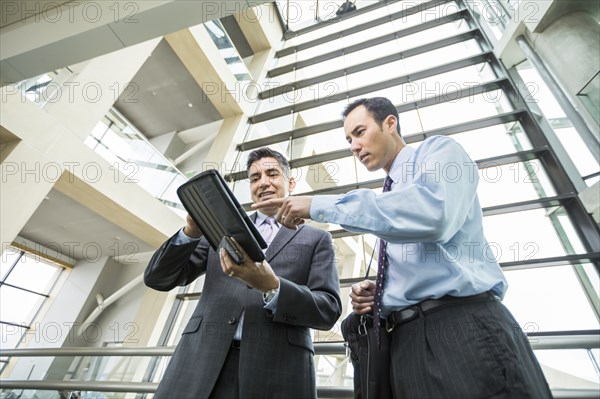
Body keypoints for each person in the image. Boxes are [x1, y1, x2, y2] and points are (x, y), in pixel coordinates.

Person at [254, 97, 553, 398]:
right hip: (406, 345)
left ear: (390, 124)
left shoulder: (439, 152)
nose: (354, 146)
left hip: (462, 328)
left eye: (359, 132)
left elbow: (434, 215)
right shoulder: (389, 198)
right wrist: (382, 291)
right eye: (348, 140)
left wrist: (318, 205)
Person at [144, 148, 342, 398]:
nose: (263, 183)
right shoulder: (219, 227)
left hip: (276, 370)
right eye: (255, 178)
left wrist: (274, 287)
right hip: (200, 362)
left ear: (290, 182)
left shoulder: (318, 239)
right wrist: (192, 231)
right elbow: (159, 278)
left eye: (272, 174)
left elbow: (328, 310)